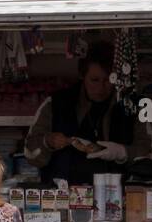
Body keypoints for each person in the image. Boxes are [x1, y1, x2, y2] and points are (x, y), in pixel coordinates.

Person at [25, 41, 136, 189]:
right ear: (82, 76)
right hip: (62, 197)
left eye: (109, 80)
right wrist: (47, 142)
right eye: (94, 80)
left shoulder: (136, 105)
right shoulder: (55, 103)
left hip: (117, 196)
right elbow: (30, 152)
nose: (101, 87)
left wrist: (123, 153)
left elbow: (151, 151)